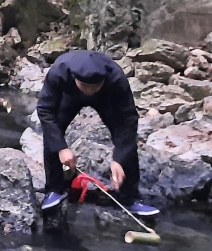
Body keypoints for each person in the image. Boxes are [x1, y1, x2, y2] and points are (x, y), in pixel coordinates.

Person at [38, 48, 160, 217]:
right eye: (85, 86)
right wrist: (61, 148)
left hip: (105, 98)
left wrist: (119, 158)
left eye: (94, 86)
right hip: (71, 96)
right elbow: (45, 111)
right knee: (53, 131)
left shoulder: (116, 78)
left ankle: (129, 198)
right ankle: (54, 188)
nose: (89, 91)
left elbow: (128, 120)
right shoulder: (59, 72)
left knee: (125, 141)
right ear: (74, 78)